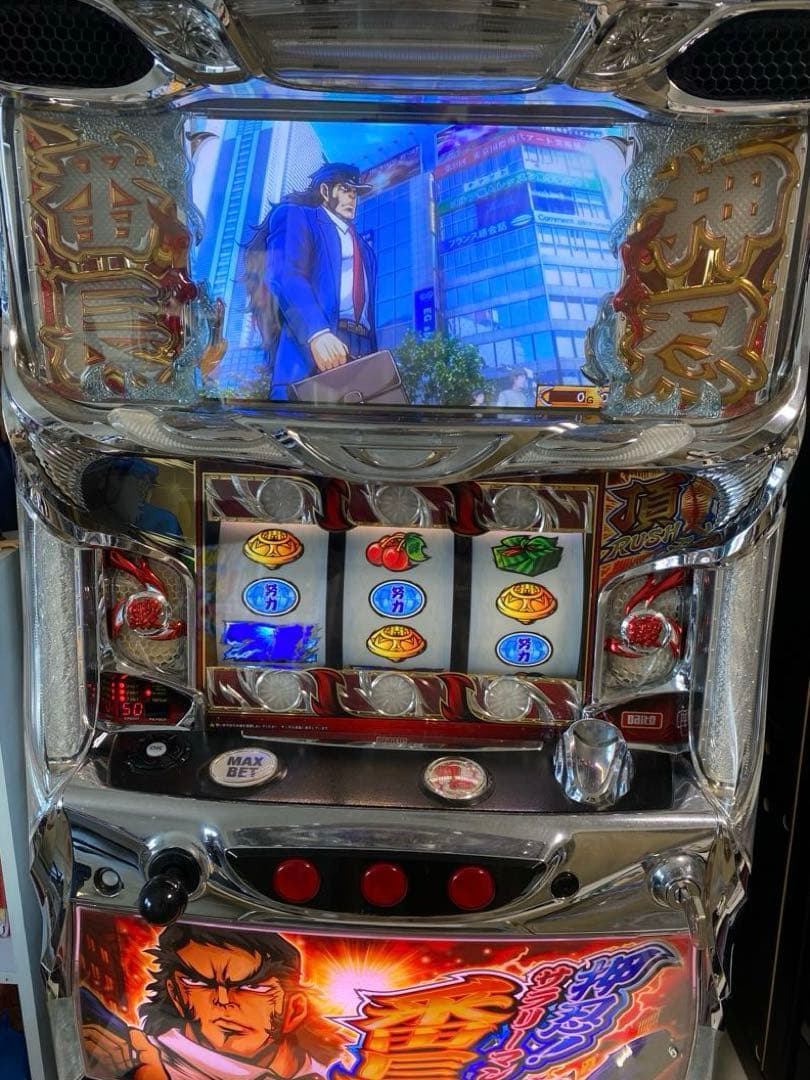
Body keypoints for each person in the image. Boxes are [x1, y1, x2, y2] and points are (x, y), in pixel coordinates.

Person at [82, 925, 342, 1079]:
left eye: (251, 986)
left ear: (294, 1009)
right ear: (176, 993)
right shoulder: (138, 1055)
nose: (223, 1000)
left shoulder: (329, 1070)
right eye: (199, 983)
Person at [263, 163, 377, 398]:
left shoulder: (366, 250)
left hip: (362, 347)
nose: (352, 198)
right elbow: (286, 274)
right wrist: (317, 332)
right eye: (345, 189)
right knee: (301, 415)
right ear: (325, 191)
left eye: (355, 193)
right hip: (312, 347)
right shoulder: (298, 216)